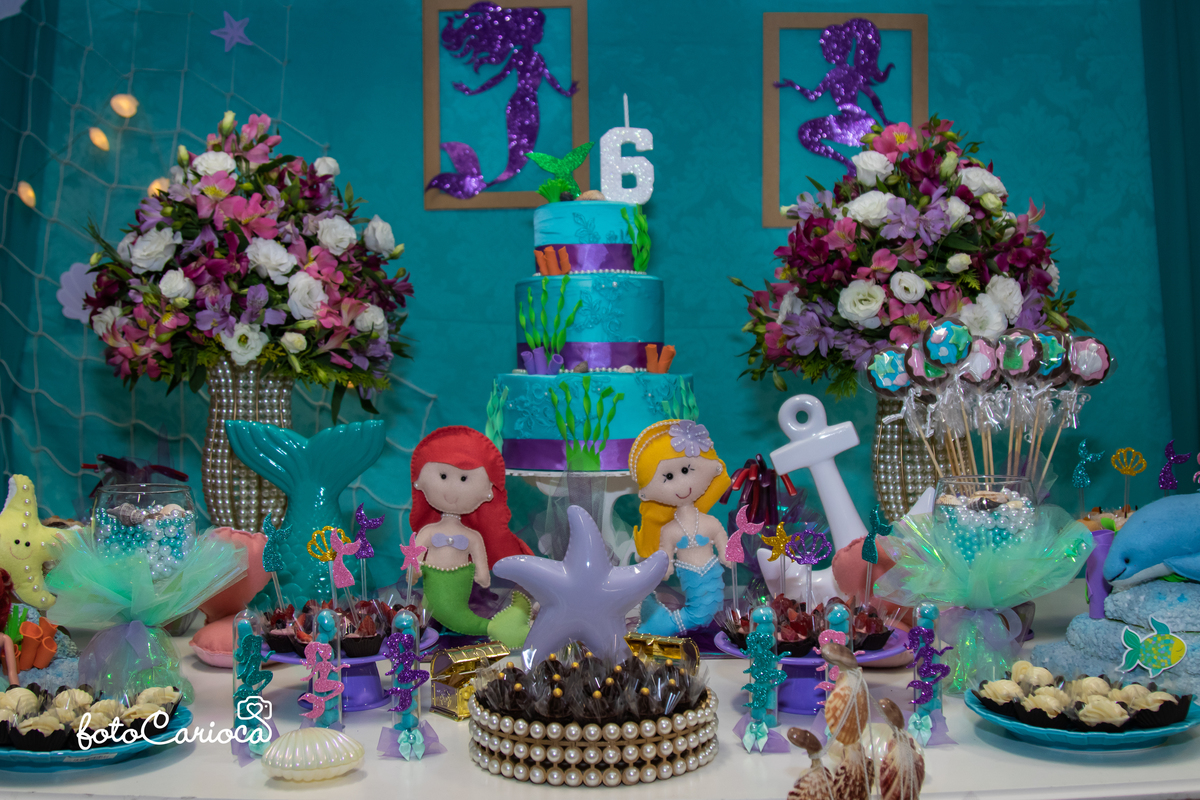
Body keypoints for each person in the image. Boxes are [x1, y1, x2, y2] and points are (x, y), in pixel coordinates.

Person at [409, 426, 532, 648]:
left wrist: (483, 575)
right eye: (443, 476)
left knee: (455, 618)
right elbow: (414, 559)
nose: (451, 489)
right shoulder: (427, 532)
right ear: (419, 483)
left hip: (458, 589)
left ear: (488, 492)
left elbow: (481, 568)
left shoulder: (473, 537)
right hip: (432, 589)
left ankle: (499, 627)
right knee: (425, 618)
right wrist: (414, 569)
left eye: (464, 478)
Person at [630, 420, 732, 636]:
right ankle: (661, 622)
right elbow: (665, 552)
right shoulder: (669, 531)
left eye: (686, 470)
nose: (681, 485)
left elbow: (719, 536)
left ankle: (666, 622)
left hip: (712, 574)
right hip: (690, 577)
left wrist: (726, 552)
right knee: (700, 613)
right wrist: (665, 568)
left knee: (713, 608)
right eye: (668, 477)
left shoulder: (709, 522)